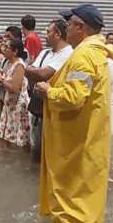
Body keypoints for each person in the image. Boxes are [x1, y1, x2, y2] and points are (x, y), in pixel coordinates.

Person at [33, 4, 113, 223]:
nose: (65, 28)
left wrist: (48, 90)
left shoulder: (83, 56)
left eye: (69, 24)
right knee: (81, 203)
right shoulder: (98, 52)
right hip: (87, 140)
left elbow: (73, 97)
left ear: (80, 27)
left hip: (73, 146)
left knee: (66, 209)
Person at [24, 19, 74, 160]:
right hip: (38, 107)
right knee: (37, 149)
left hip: (55, 110)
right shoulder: (45, 53)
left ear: (57, 34)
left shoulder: (68, 54)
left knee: (52, 153)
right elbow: (33, 73)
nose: (45, 35)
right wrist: (34, 72)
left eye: (48, 32)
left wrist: (32, 71)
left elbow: (42, 74)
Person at [0, 39, 30, 148]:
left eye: (6, 47)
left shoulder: (19, 65)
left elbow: (15, 88)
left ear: (15, 51)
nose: (3, 49)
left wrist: (0, 78)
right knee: (5, 137)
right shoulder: (8, 62)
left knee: (18, 139)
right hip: (9, 105)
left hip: (17, 107)